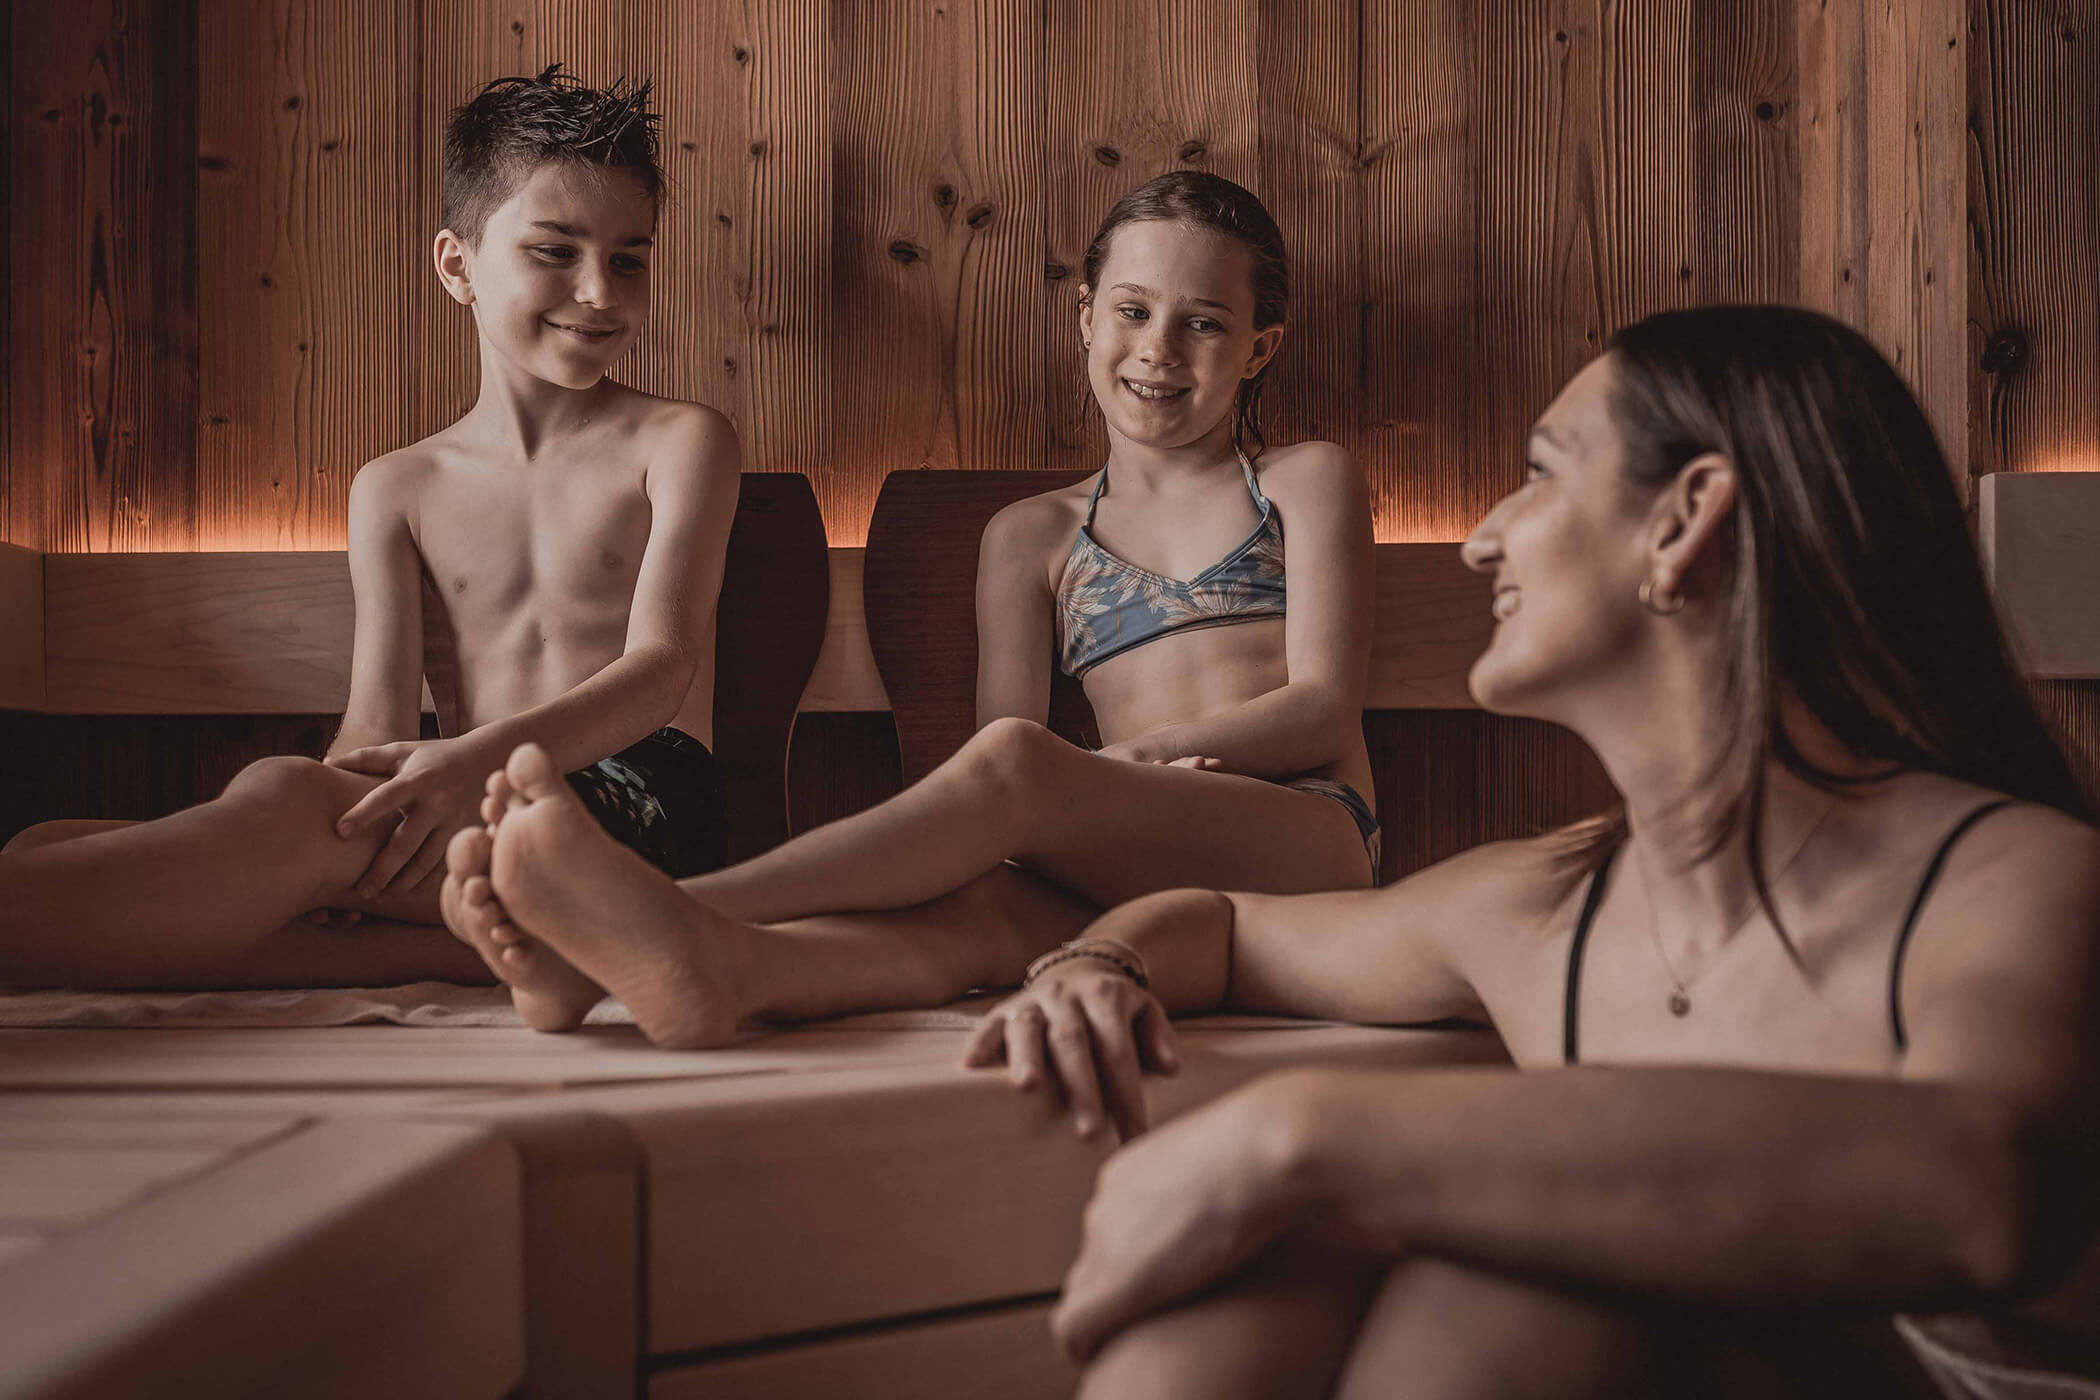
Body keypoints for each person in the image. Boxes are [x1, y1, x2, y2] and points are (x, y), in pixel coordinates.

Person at [968, 305, 2100, 1397]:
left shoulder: (2015, 878)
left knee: (1520, 1283)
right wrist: (1095, 968)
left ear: (1685, 515)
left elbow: (1978, 1186)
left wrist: (1294, 1136)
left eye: (1544, 470)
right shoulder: (1542, 906)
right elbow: (1224, 924)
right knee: (1271, 1279)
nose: (1481, 534)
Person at [441, 171, 1382, 1067]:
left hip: (1306, 833)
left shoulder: (1301, 482)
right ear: (1086, 316)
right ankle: (688, 970)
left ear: (1259, 348)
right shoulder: (1032, 537)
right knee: (975, 918)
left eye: (1205, 324)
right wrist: (1090, 794)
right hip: (1135, 851)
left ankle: (674, 910)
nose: (1159, 349)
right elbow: (997, 785)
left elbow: (1323, 708)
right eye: (1133, 311)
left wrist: (1130, 764)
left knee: (1020, 762)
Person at [0, 66, 742, 990]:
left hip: (639, 806)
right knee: (54, 841)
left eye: (629, 258)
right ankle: (549, 948)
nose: (599, 290)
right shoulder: (397, 486)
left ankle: (546, 922)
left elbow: (662, 668)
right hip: (460, 802)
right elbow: (377, 717)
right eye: (556, 251)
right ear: (456, 265)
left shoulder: (680, 441)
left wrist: (359, 805)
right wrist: (342, 810)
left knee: (272, 817)